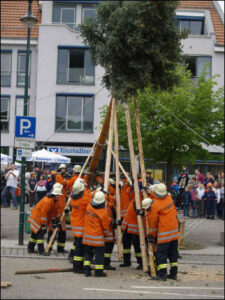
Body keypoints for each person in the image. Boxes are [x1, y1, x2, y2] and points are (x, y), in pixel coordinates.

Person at [144, 183, 179, 281]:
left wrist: (152, 235)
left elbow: (153, 223)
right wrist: (149, 192)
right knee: (173, 254)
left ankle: (162, 275)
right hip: (174, 233)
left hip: (164, 234)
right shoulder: (169, 198)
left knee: (161, 255)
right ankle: (173, 273)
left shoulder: (155, 204)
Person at [27, 183, 63, 255]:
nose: (60, 196)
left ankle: (30, 249)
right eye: (59, 195)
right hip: (37, 218)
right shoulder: (47, 201)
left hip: (39, 218)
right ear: (55, 195)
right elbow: (43, 214)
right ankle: (41, 251)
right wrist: (43, 225)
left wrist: (56, 220)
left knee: (34, 234)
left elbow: (54, 213)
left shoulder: (55, 201)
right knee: (40, 234)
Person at [83, 191, 110, 277]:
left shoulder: (89, 206)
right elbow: (105, 227)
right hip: (97, 238)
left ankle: (87, 271)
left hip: (87, 236)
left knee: (88, 254)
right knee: (99, 256)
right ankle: (98, 272)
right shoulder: (103, 212)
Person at [68, 178, 91, 272]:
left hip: (76, 225)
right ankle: (77, 268)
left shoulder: (73, 197)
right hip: (81, 226)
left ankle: (76, 266)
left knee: (78, 246)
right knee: (80, 248)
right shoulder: (83, 200)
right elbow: (89, 198)